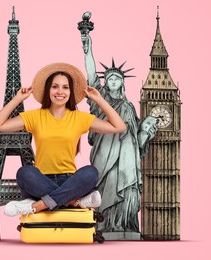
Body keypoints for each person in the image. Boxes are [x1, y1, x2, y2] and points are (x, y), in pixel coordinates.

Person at [0, 63, 127, 216]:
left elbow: (119, 126)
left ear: (71, 92)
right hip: (40, 181)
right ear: (48, 90)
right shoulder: (34, 116)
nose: (60, 91)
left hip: (70, 182)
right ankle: (72, 202)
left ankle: (37, 205)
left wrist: (99, 99)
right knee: (25, 172)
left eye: (65, 87)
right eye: (55, 87)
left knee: (91, 172)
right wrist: (17, 99)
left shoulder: (80, 118)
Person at [81, 34, 157, 232]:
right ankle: (105, 223)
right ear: (105, 82)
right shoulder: (100, 100)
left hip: (126, 156)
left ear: (122, 82)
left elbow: (137, 135)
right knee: (106, 183)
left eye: (117, 78)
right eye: (109, 78)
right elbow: (91, 77)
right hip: (104, 150)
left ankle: (121, 223)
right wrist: (88, 50)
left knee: (124, 184)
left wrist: (147, 130)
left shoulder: (128, 106)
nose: (113, 80)